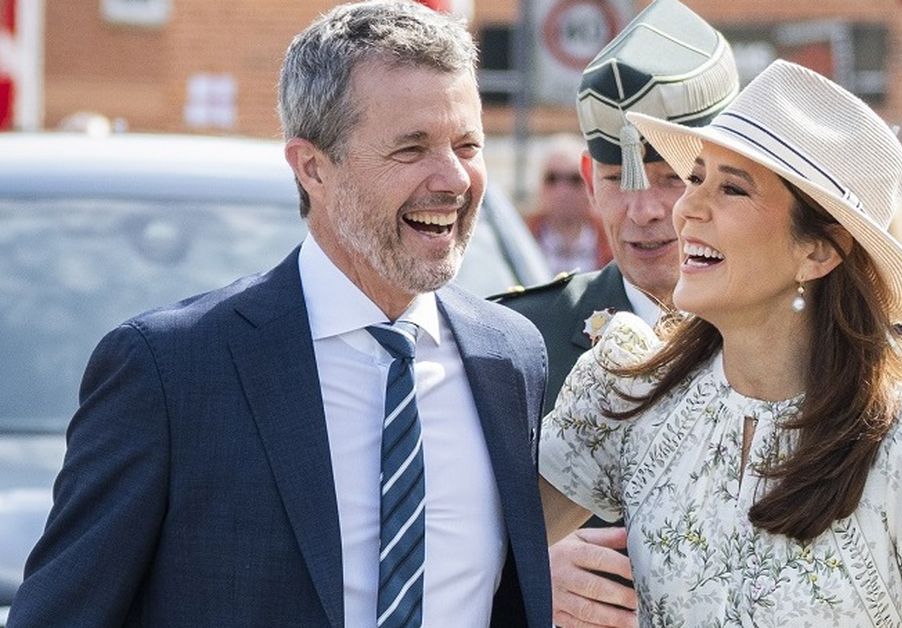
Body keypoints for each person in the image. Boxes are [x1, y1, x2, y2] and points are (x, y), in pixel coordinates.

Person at [9, 2, 551, 626]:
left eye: (468, 144)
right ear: (313, 168)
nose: (453, 178)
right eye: (412, 148)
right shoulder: (171, 373)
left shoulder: (510, 359)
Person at [539, 60, 902, 625]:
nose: (687, 207)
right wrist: (537, 574)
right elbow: (464, 550)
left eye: (731, 188)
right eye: (696, 177)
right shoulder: (628, 386)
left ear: (818, 252)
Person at [494, 2, 739, 626]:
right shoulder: (513, 346)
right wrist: (520, 571)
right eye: (616, 177)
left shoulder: (810, 345)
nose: (644, 210)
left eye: (670, 178)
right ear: (586, 175)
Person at [526, 133, 612, 274]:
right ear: (539, 185)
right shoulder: (520, 238)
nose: (563, 190)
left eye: (574, 179)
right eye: (552, 178)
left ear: (591, 185)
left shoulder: (613, 242)